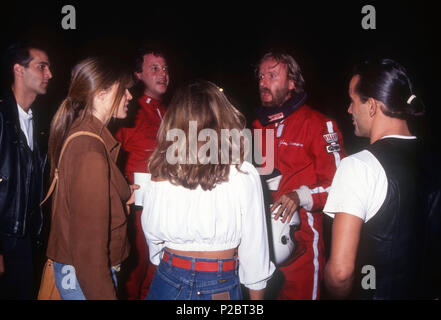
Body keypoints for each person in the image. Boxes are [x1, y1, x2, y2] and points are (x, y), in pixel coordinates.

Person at [141, 80, 275, 300]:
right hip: (218, 282)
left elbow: (153, 240)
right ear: (224, 120)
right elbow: (255, 254)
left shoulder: (161, 171)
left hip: (167, 278)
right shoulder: (243, 173)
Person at [323, 58, 433, 299]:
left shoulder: (358, 166)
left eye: (352, 101)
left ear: (371, 106)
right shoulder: (434, 158)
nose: (349, 110)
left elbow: (340, 273)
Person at [252, 50, 345, 300]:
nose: (262, 82)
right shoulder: (258, 126)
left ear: (292, 83)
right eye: (261, 76)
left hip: (303, 247)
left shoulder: (320, 125)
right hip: (261, 245)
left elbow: (339, 186)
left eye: (272, 75)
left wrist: (300, 195)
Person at [45, 57, 136, 300]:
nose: (129, 96)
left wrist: (120, 194)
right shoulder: (90, 150)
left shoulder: (87, 137)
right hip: (86, 279)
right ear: (101, 92)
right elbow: (89, 253)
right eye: (123, 89)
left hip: (78, 275)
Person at [115, 45, 169, 299]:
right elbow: (112, 160)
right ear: (138, 74)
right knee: (133, 275)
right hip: (136, 212)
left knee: (158, 274)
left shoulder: (171, 113)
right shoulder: (130, 112)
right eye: (155, 68)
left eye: (165, 68)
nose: (163, 74)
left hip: (167, 209)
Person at [0, 42, 52, 299]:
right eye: (42, 66)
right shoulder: (1, 116)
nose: (49, 74)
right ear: (18, 70)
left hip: (29, 239)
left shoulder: (38, 122)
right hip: (6, 240)